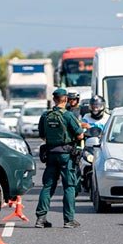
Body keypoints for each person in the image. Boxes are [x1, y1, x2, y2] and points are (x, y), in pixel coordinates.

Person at [35, 87, 84, 229]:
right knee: (69, 186)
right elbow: (80, 135)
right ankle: (69, 220)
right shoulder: (68, 115)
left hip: (51, 154)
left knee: (48, 185)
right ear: (66, 99)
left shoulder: (45, 115)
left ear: (54, 99)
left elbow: (42, 135)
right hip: (66, 155)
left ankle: (41, 219)